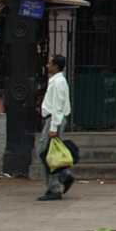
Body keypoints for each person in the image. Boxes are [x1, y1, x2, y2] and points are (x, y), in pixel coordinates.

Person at [37, 54, 72, 202]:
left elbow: (57, 106)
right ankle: (63, 176)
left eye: (50, 63)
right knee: (50, 153)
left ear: (56, 66)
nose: (47, 65)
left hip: (54, 120)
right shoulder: (57, 81)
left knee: (46, 154)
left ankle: (55, 187)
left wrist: (53, 127)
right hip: (53, 119)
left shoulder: (58, 82)